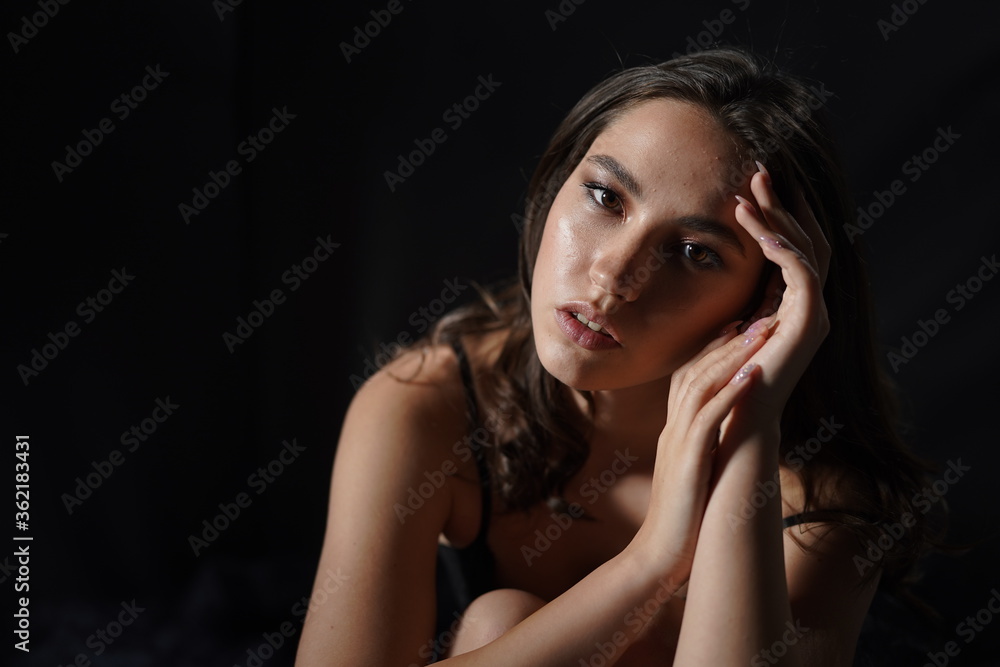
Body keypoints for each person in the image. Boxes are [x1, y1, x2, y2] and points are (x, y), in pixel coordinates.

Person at [295, 47, 936, 666]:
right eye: (605, 198)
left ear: (769, 299)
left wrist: (748, 426)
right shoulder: (426, 406)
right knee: (500, 619)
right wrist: (652, 561)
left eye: (693, 252)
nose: (613, 276)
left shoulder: (818, 498)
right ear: (555, 184)